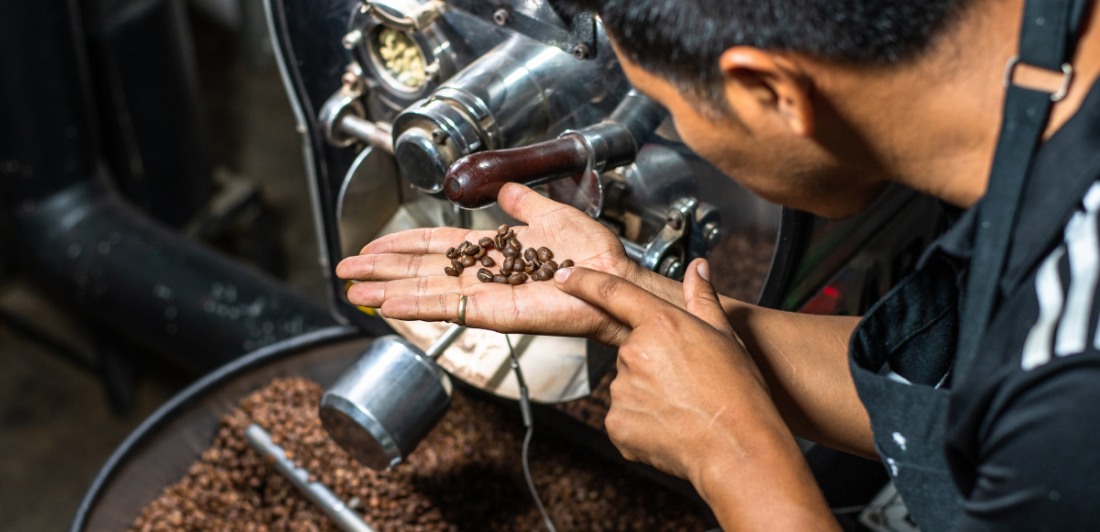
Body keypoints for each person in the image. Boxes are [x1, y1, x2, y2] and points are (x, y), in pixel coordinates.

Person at [336, 0, 1100, 529]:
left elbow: (1041, 411)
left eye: (671, 109)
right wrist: (636, 301)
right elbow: (971, 385)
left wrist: (732, 450)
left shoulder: (1070, 389)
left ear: (769, 91)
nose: (689, 140)